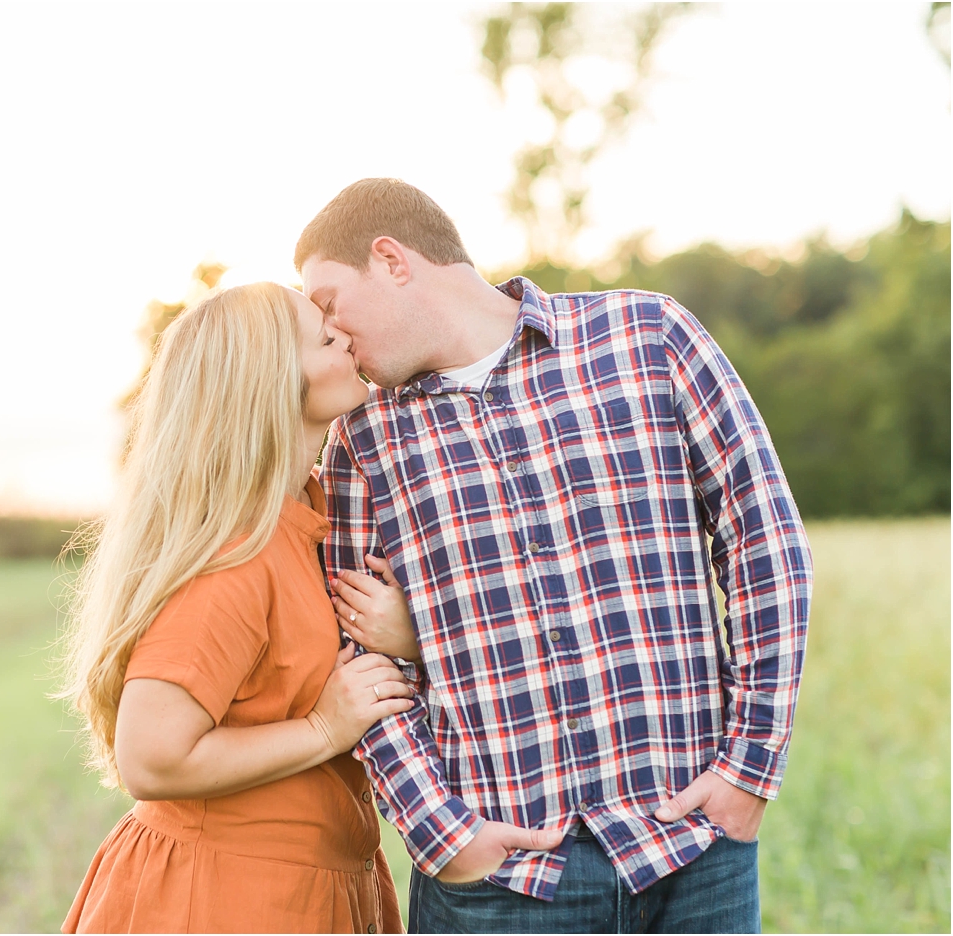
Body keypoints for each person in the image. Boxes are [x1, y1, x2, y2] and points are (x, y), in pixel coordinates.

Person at [299, 179, 813, 934]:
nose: (331, 334)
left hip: (692, 849)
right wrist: (446, 836)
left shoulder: (648, 337)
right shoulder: (361, 442)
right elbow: (357, 658)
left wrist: (750, 770)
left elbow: (765, 544)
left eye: (328, 300)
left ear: (391, 259)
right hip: (500, 884)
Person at [57, 282, 416, 934]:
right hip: (224, 897)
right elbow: (151, 756)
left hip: (309, 882)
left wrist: (411, 639)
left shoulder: (307, 517)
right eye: (327, 339)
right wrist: (323, 731)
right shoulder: (238, 554)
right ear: (272, 383)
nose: (349, 341)